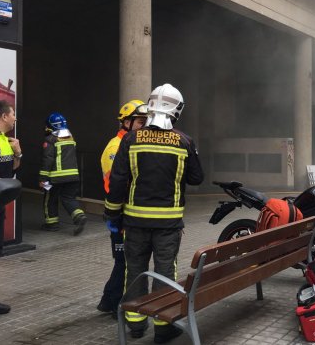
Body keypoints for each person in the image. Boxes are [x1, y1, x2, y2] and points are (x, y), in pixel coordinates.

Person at [105, 84, 203, 343]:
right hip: (168, 224)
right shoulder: (184, 141)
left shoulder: (131, 139)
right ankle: (163, 325)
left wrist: (112, 215)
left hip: (134, 221)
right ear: (176, 110)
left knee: (134, 269)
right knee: (164, 271)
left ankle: (136, 324)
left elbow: (117, 182)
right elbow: (196, 178)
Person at [97, 100, 148, 318]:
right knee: (124, 262)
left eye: (146, 121)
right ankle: (116, 305)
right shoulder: (115, 148)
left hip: (131, 215)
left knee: (125, 261)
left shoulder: (132, 143)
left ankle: (109, 301)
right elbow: (113, 186)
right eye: (140, 121)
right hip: (121, 215)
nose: (144, 126)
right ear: (126, 122)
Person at [39, 113, 87, 235]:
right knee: (68, 198)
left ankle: (52, 224)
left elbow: (47, 160)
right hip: (73, 176)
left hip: (56, 177)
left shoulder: (50, 139)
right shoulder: (71, 138)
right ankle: (79, 216)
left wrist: (43, 178)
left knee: (50, 199)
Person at [0, 100, 22, 314]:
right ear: (4, 116)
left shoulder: (7, 141)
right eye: (13, 114)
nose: (15, 118)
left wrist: (18, 153)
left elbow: (12, 170)